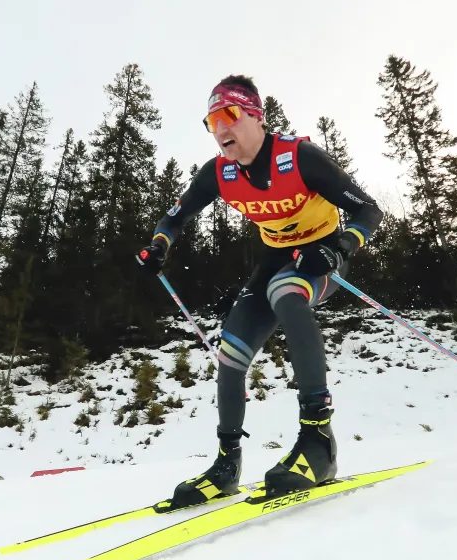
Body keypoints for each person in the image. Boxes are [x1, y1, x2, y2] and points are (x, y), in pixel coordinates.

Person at [136, 75, 384, 508]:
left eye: (229, 115)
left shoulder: (299, 157)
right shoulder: (219, 173)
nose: (221, 129)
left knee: (286, 293)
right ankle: (226, 465)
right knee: (230, 352)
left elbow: (368, 209)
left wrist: (344, 244)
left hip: (321, 252)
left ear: (256, 115)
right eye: (212, 121)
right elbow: (173, 218)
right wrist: (159, 246)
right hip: (274, 257)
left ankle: (318, 442)